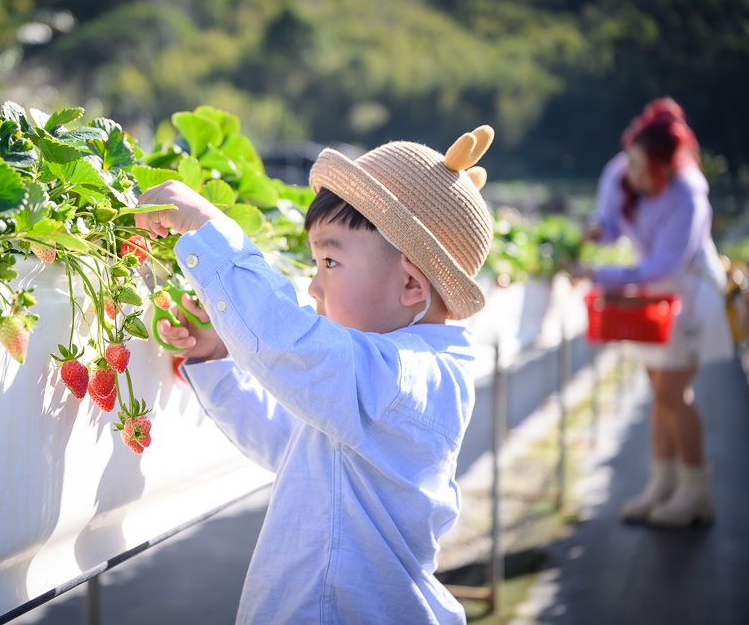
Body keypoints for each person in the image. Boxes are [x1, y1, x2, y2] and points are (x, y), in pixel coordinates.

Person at [135, 126, 496, 624]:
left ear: (411, 282)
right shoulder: (386, 376)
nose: (313, 283)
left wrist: (208, 229)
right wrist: (220, 357)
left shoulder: (410, 379)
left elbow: (288, 344)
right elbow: (289, 444)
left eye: (330, 260)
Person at [581, 97, 734, 528]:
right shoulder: (625, 170)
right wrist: (600, 230)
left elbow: (668, 263)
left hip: (689, 295)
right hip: (652, 295)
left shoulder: (688, 194)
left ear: (663, 165)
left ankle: (695, 492)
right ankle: (663, 486)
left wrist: (600, 272)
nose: (628, 172)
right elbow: (611, 219)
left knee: (672, 395)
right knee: (659, 394)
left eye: (637, 165)